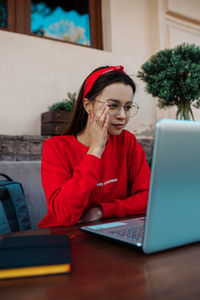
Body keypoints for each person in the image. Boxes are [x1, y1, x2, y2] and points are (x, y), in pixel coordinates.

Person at [39, 65, 150, 228]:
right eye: (113, 105)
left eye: (127, 107)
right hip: (63, 239)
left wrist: (102, 211)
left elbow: (148, 197)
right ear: (87, 105)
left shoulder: (128, 142)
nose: (122, 116)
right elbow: (65, 215)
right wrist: (95, 149)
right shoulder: (55, 148)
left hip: (112, 233)